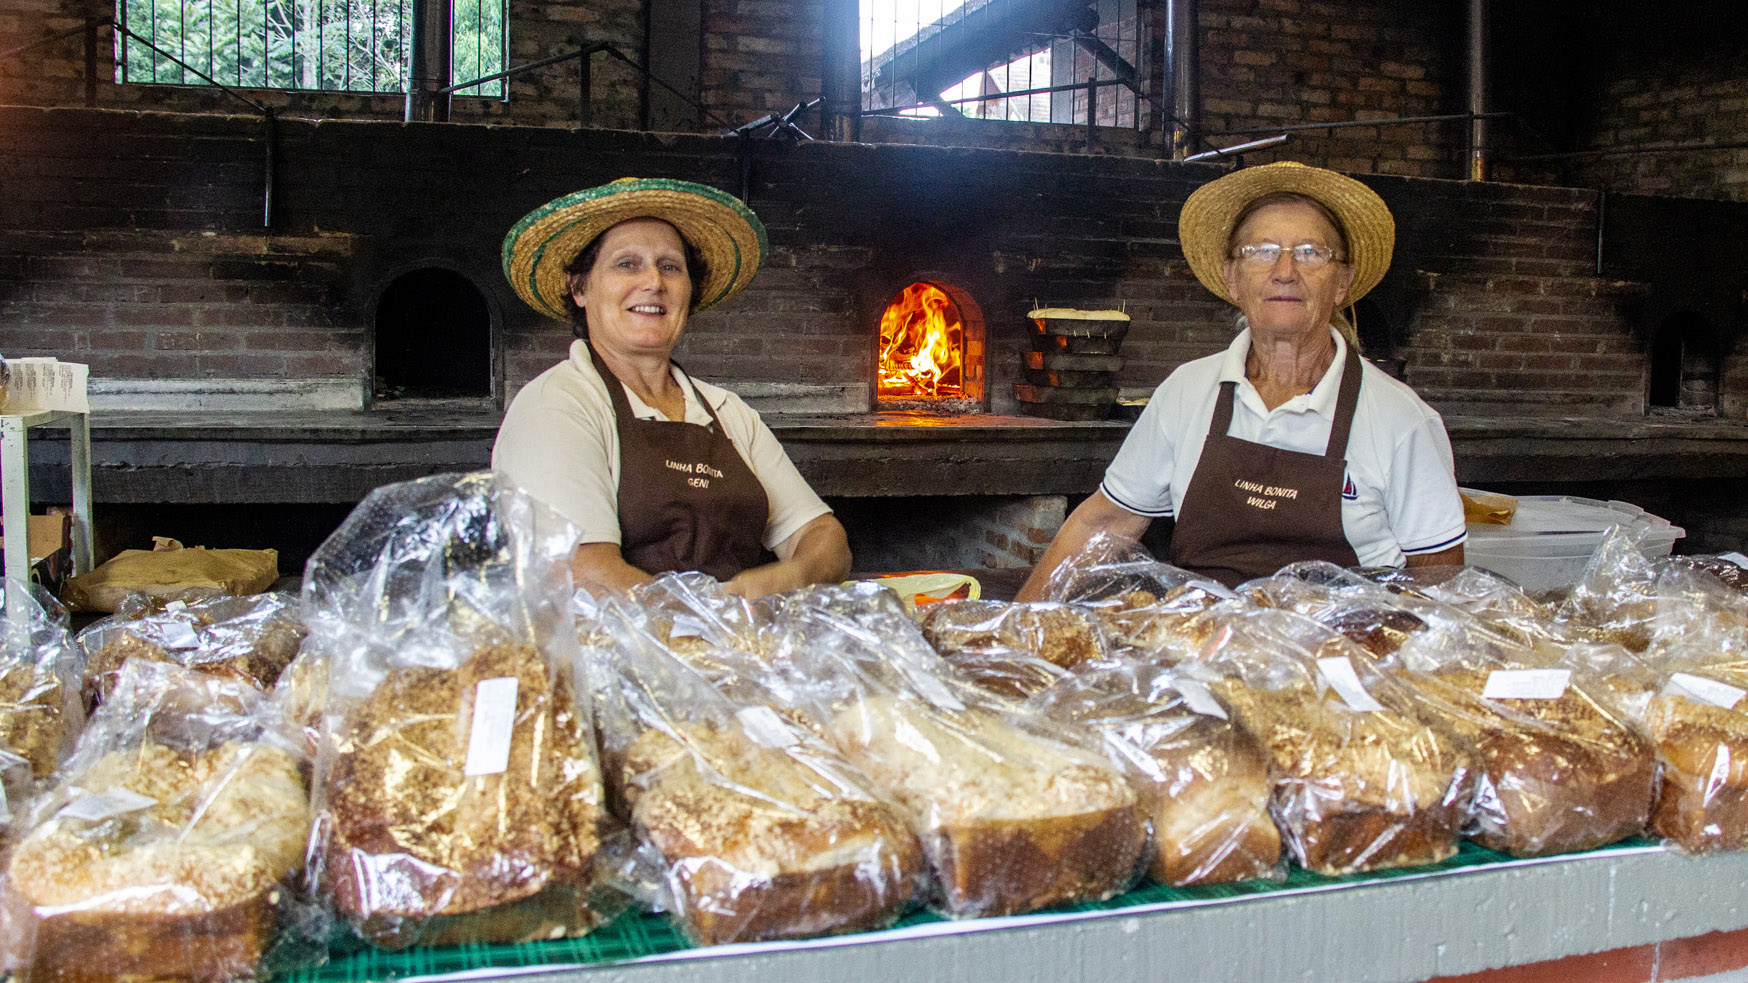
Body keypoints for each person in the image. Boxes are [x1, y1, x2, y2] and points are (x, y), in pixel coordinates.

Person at [1017, 161, 1465, 599]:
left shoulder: (1401, 419)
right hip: (1201, 651)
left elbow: (1439, 584)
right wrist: (1014, 626)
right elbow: (1104, 523)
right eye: (1262, 251)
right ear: (1232, 278)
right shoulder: (1187, 391)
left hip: (1338, 659)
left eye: (1310, 253)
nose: (1285, 270)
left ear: (1342, 281)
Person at [494, 177, 850, 598]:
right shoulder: (557, 404)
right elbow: (584, 574)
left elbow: (825, 538)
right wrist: (715, 619)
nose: (653, 282)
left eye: (670, 266)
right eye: (627, 264)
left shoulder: (727, 411)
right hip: (619, 657)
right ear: (580, 288)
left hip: (739, 647)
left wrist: (785, 578)